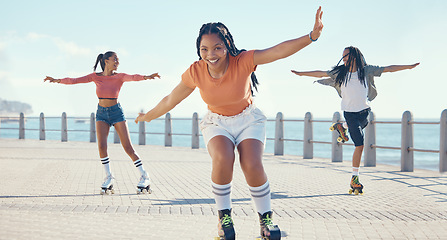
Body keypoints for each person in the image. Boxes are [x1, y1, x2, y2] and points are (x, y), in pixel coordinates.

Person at [136, 7, 323, 240]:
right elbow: (170, 99)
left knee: (252, 164)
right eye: (204, 49)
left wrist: (311, 36)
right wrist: (149, 117)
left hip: (248, 119)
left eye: (217, 47)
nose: (210, 54)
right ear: (199, 50)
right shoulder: (196, 71)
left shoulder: (243, 61)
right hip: (218, 123)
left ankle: (265, 220)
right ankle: (224, 217)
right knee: (224, 158)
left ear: (227, 46)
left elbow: (277, 51)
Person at [291, 46, 419, 195]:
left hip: (365, 112)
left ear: (354, 56)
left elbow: (388, 69)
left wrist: (408, 67)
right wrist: (301, 74)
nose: (344, 59)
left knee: (361, 130)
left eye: (346, 56)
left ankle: (341, 126)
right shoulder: (341, 72)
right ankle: (355, 177)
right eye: (343, 56)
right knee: (360, 144)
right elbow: (320, 73)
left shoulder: (366, 70)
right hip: (350, 114)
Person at [44, 51, 160, 195]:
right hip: (101, 113)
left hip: (116, 112)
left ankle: (144, 176)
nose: (117, 62)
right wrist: (57, 80)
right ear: (106, 61)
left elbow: (134, 77)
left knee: (128, 147)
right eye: (115, 59)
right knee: (102, 146)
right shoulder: (95, 77)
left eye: (118, 59)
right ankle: (109, 177)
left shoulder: (120, 77)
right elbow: (74, 80)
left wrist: (146, 77)